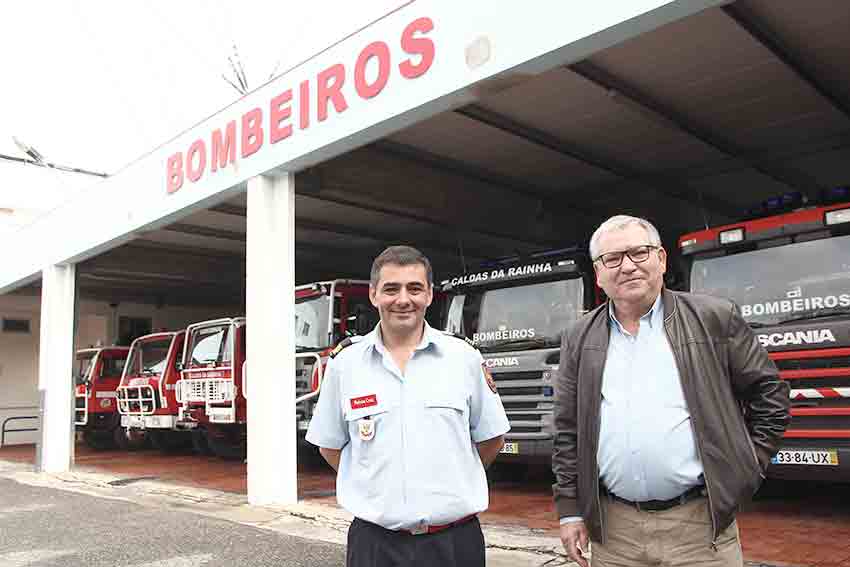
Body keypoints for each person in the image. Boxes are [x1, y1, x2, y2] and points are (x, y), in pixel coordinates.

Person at [552, 215, 790, 567]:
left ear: (661, 259)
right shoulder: (579, 337)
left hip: (701, 529)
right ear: (598, 273)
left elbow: (770, 395)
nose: (627, 266)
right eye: (612, 258)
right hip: (614, 534)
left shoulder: (714, 318)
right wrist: (570, 511)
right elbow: (567, 429)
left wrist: (745, 467)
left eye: (639, 252)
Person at [306, 245, 510, 567]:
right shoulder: (345, 365)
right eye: (391, 289)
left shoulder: (464, 359)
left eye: (414, 288)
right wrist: (377, 487)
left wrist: (450, 479)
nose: (403, 299)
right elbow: (329, 446)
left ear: (429, 294)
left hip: (453, 544)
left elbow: (492, 439)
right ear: (373, 294)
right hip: (375, 546)